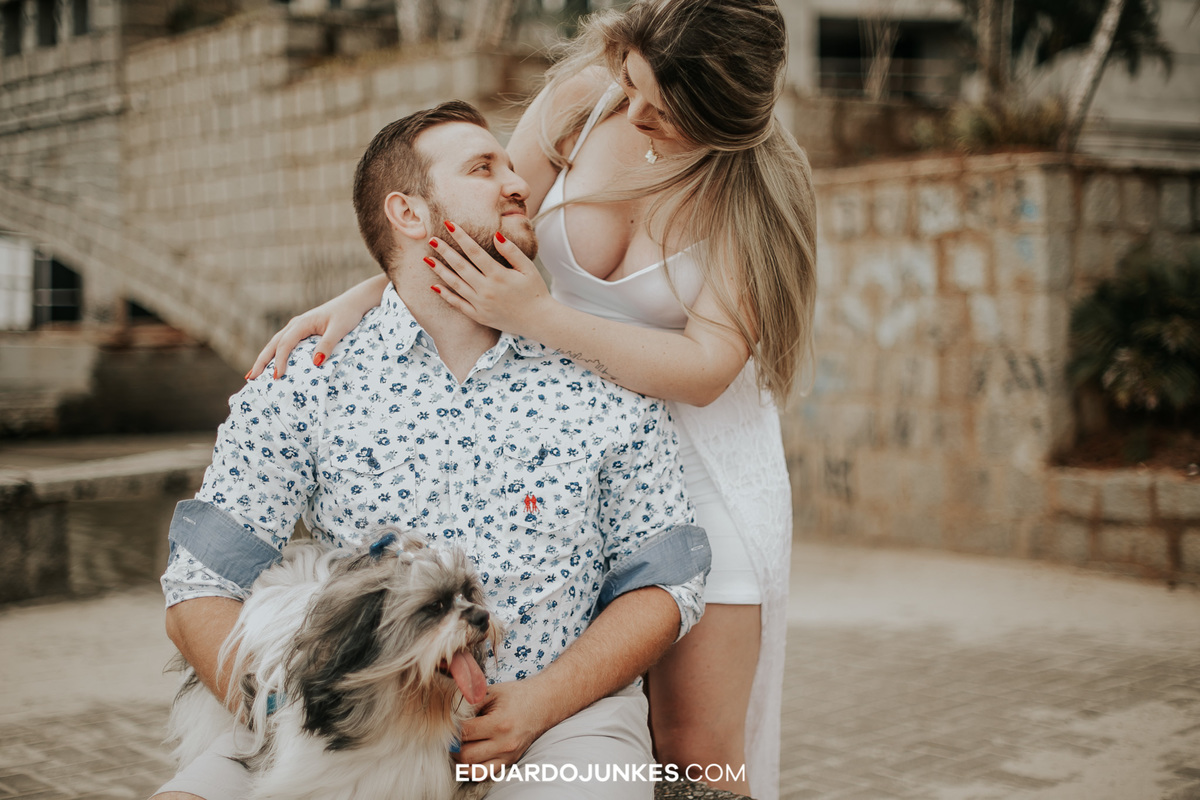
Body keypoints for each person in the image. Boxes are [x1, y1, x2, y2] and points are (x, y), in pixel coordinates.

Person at [250, 1, 817, 797]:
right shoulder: (586, 100)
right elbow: (474, 225)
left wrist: (539, 318)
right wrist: (367, 295)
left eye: (663, 109)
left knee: (694, 750)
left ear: (724, 116)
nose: (635, 111)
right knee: (584, 710)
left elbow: (705, 368)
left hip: (704, 468)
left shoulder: (754, 186)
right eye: (632, 82)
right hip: (569, 457)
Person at [153, 101, 711, 800]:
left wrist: (541, 703)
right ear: (408, 214)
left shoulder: (604, 375)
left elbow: (666, 582)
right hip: (344, 737)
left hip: (560, 727)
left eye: (513, 167)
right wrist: (298, 721)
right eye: (484, 168)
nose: (520, 184)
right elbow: (199, 584)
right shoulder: (307, 379)